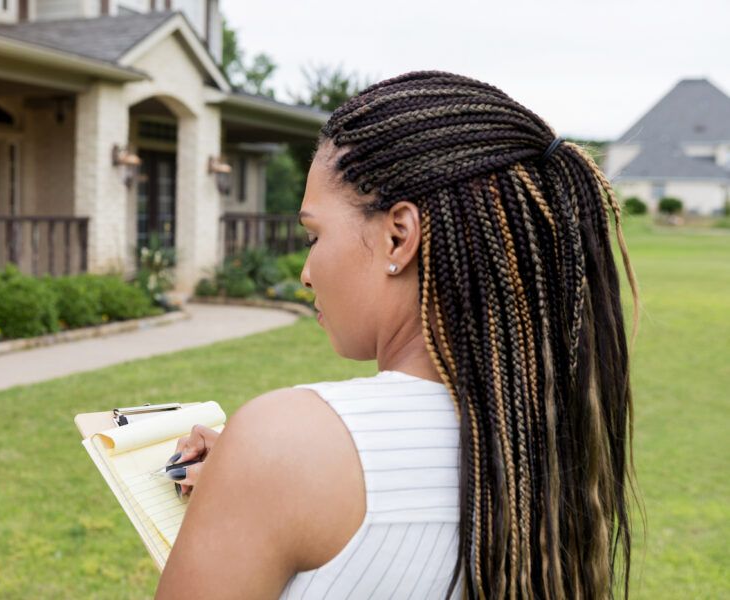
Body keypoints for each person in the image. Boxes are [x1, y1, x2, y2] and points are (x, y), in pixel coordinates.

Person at [154, 71, 639, 600]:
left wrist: (255, 471)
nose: (306, 273)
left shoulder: (281, 442)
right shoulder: (544, 438)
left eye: (314, 235)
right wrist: (243, 480)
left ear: (399, 236)